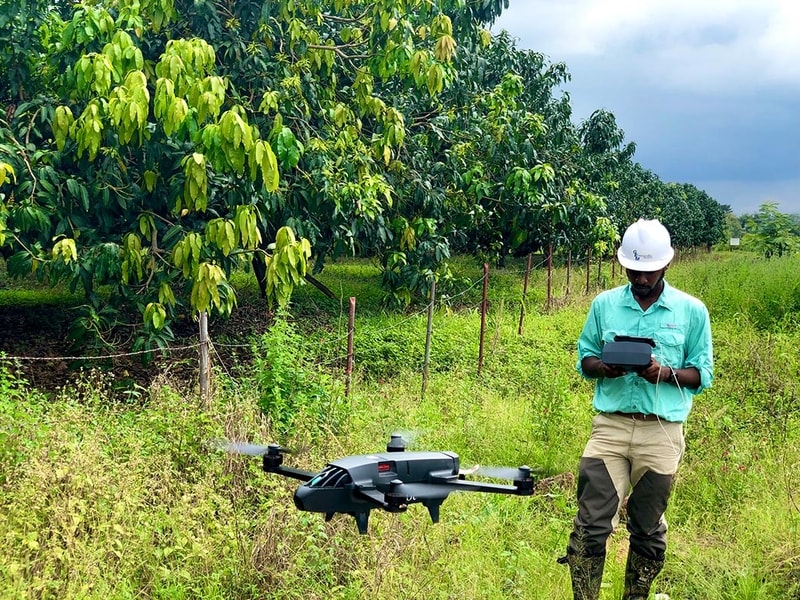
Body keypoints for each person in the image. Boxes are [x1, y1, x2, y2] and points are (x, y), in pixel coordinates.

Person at [559, 218, 714, 600]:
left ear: (666, 264)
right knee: (590, 525)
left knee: (646, 527)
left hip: (660, 432)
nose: (641, 278)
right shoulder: (605, 305)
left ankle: (637, 595)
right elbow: (585, 359)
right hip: (610, 428)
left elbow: (702, 374)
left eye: (648, 270)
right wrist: (605, 367)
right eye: (633, 269)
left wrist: (664, 373)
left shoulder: (691, 311)